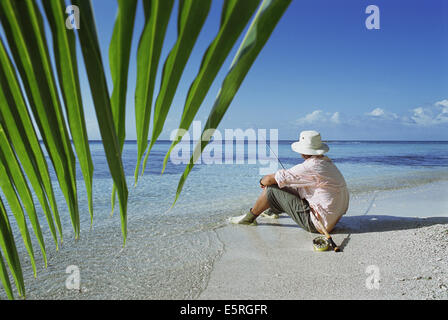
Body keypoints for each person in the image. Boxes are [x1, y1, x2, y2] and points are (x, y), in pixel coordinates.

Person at [230, 130, 349, 234]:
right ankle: (272, 211)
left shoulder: (310, 166)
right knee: (290, 185)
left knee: (271, 189)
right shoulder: (326, 162)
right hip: (333, 219)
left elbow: (269, 179)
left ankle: (248, 219)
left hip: (318, 224)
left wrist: (261, 181)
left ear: (303, 151)